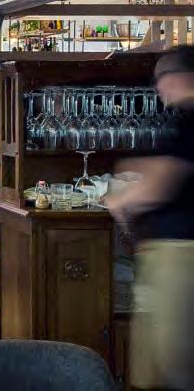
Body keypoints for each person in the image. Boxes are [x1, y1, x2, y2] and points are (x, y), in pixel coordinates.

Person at [105, 46, 194, 390]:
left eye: (161, 78)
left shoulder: (189, 119)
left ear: (180, 77)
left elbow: (162, 183)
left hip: (180, 253)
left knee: (172, 362)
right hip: (174, 252)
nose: (158, 88)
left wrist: (120, 199)